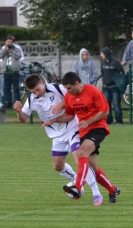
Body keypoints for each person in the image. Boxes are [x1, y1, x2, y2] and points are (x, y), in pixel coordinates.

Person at [14, 74, 104, 206]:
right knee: (57, 165)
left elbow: (73, 95)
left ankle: (96, 194)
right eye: (33, 92)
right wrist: (18, 111)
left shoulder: (57, 88)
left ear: (41, 82)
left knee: (80, 159)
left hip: (72, 127)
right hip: (56, 135)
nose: (37, 93)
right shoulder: (32, 99)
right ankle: (77, 179)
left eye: (38, 89)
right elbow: (24, 119)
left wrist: (63, 104)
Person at [43, 72, 121, 203]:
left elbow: (105, 111)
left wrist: (88, 122)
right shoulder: (69, 97)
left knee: (81, 153)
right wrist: (54, 120)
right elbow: (69, 116)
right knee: (93, 168)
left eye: (69, 88)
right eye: (66, 89)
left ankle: (78, 186)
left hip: (98, 128)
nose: (67, 91)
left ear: (77, 83)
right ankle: (112, 190)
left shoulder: (93, 91)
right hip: (84, 131)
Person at [0, 35, 25, 108]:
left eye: (11, 42)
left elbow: (18, 56)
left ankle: (17, 103)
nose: (9, 43)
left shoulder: (16, 49)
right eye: (8, 42)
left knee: (16, 87)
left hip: (14, 71)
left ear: (13, 43)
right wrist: (5, 50)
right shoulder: (3, 48)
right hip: (6, 71)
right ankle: (8, 102)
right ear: (5, 42)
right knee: (6, 88)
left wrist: (11, 50)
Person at [100, 47, 125, 125]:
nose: (101, 55)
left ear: (105, 54)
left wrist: (118, 83)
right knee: (107, 105)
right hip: (106, 88)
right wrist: (104, 83)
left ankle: (119, 121)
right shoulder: (103, 63)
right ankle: (108, 120)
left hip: (115, 88)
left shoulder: (116, 63)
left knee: (116, 104)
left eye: (102, 53)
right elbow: (103, 74)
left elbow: (121, 73)